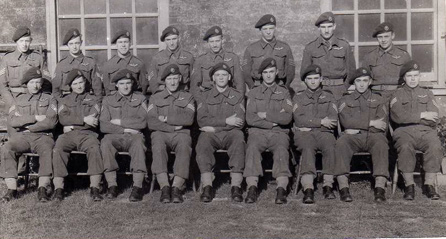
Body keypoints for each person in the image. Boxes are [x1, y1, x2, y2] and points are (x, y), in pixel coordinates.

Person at [0, 67, 57, 202]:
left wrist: (27, 126)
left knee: (47, 150)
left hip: (43, 137)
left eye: (38, 82)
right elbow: (13, 121)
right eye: (32, 82)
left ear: (42, 83)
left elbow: (51, 122)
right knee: (7, 148)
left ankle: (42, 189)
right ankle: (11, 189)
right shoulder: (18, 100)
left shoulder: (50, 99)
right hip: (23, 138)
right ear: (26, 84)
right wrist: (36, 118)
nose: (35, 85)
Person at [335, 67, 389, 203]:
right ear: (354, 83)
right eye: (358, 81)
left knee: (381, 142)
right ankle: (343, 187)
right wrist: (371, 123)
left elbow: (381, 124)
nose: (361, 84)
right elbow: (346, 122)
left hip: (373, 136)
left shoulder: (378, 99)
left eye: (365, 80)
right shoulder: (345, 100)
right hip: (352, 138)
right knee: (342, 142)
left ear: (370, 81)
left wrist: (356, 128)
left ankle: (379, 188)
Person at [390, 60, 442, 200]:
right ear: (404, 78)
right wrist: (422, 115)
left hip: (425, 132)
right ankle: (409, 185)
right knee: (405, 147)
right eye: (409, 76)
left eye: (415, 75)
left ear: (419, 77)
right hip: (404, 132)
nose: (413, 79)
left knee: (435, 146)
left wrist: (412, 118)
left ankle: (429, 185)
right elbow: (398, 117)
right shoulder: (397, 94)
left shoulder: (428, 93)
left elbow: (435, 117)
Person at [244, 57, 293, 204]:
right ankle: (252, 187)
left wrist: (266, 115)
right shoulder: (253, 93)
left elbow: (287, 118)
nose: (269, 75)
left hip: (279, 134)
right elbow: (250, 118)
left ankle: (281, 188)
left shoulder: (284, 92)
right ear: (261, 75)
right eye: (265, 72)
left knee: (281, 149)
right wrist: (272, 123)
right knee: (252, 148)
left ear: (277, 72)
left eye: (271, 72)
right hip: (258, 133)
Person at [195, 62, 246, 203]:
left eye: (224, 75)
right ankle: (207, 186)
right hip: (211, 135)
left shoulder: (238, 96)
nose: (221, 78)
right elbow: (202, 120)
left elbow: (240, 121)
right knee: (203, 141)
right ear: (213, 79)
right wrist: (226, 121)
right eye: (217, 75)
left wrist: (216, 127)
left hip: (229, 133)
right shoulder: (204, 96)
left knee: (238, 137)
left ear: (229, 77)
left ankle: (236, 186)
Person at [52, 69, 103, 201]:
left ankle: (95, 187)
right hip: (69, 136)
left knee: (94, 148)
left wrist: (72, 124)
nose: (79, 86)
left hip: (88, 134)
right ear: (70, 86)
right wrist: (83, 120)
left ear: (85, 83)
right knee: (58, 148)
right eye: (75, 84)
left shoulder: (94, 100)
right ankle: (59, 188)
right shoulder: (64, 100)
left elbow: (94, 121)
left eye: (81, 82)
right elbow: (63, 119)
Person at [147, 64, 195, 203]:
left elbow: (189, 119)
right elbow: (151, 122)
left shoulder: (188, 97)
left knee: (185, 145)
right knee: (158, 145)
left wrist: (166, 119)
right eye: (169, 79)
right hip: (162, 133)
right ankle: (165, 187)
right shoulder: (155, 98)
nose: (173, 82)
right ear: (164, 81)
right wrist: (174, 127)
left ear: (180, 78)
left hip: (182, 134)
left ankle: (176, 187)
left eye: (175, 78)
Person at [100, 69, 148, 202]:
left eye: (128, 83)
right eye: (122, 83)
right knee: (106, 142)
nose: (125, 86)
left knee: (139, 143)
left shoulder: (140, 98)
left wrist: (120, 122)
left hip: (134, 137)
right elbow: (104, 125)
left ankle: (138, 186)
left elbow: (143, 122)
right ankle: (112, 185)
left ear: (132, 83)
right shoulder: (108, 100)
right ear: (116, 85)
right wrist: (127, 129)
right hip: (116, 136)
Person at [292, 64, 338, 204]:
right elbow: (299, 120)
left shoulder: (329, 97)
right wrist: (320, 122)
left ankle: (328, 185)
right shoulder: (298, 98)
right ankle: (308, 188)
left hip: (324, 133)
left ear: (321, 79)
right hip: (305, 135)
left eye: (316, 78)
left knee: (330, 145)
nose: (313, 81)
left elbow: (333, 120)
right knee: (307, 147)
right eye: (309, 78)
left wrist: (311, 124)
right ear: (305, 81)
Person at [300, 12, 356, 100]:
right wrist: (315, 88)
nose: (326, 30)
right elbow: (304, 74)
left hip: (340, 92)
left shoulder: (344, 46)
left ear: (334, 26)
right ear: (319, 28)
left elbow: (352, 71)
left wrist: (344, 88)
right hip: (319, 91)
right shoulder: (310, 48)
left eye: (329, 26)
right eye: (323, 27)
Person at [241, 14, 295, 90]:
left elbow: (290, 70)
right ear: (260, 30)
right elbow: (246, 72)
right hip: (258, 87)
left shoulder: (285, 48)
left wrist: (286, 86)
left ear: (275, 29)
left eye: (271, 28)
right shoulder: (251, 48)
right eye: (265, 29)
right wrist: (252, 87)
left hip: (279, 86)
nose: (268, 32)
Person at [0, 26, 49, 108]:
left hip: (35, 98)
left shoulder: (38, 57)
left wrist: (42, 100)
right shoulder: (7, 58)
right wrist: (12, 105)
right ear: (16, 42)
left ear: (30, 41)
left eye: (27, 41)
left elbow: (47, 81)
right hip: (14, 99)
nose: (24, 44)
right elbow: (2, 85)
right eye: (21, 41)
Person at [191, 26, 244, 97]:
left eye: (217, 41)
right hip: (207, 97)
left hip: (228, 96)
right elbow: (194, 86)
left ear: (222, 40)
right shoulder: (200, 60)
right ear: (208, 43)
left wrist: (238, 100)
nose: (214, 45)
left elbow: (240, 84)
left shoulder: (233, 58)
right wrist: (200, 102)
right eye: (211, 42)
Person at [362, 22, 411, 99]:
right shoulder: (369, 57)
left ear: (393, 36)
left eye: (386, 36)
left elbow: (409, 79)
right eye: (380, 37)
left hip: (397, 96)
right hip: (375, 96)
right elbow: (363, 80)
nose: (383, 40)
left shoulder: (403, 55)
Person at [52, 28, 102, 99]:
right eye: (71, 44)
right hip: (68, 101)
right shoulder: (62, 64)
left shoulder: (90, 62)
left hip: (87, 100)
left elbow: (97, 87)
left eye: (77, 43)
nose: (74, 47)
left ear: (81, 43)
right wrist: (62, 103)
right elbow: (55, 89)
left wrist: (97, 104)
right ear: (67, 45)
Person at [148, 26, 194, 94]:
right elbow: (153, 82)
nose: (171, 43)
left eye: (174, 39)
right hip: (163, 93)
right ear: (165, 41)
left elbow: (194, 80)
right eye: (168, 40)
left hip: (183, 93)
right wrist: (158, 96)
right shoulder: (157, 58)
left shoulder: (188, 57)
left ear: (179, 38)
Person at [101, 30, 148, 95]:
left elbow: (144, 86)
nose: (123, 45)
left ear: (130, 44)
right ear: (116, 45)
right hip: (115, 102)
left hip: (134, 100)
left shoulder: (139, 63)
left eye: (126, 42)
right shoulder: (108, 64)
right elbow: (106, 88)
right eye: (120, 42)